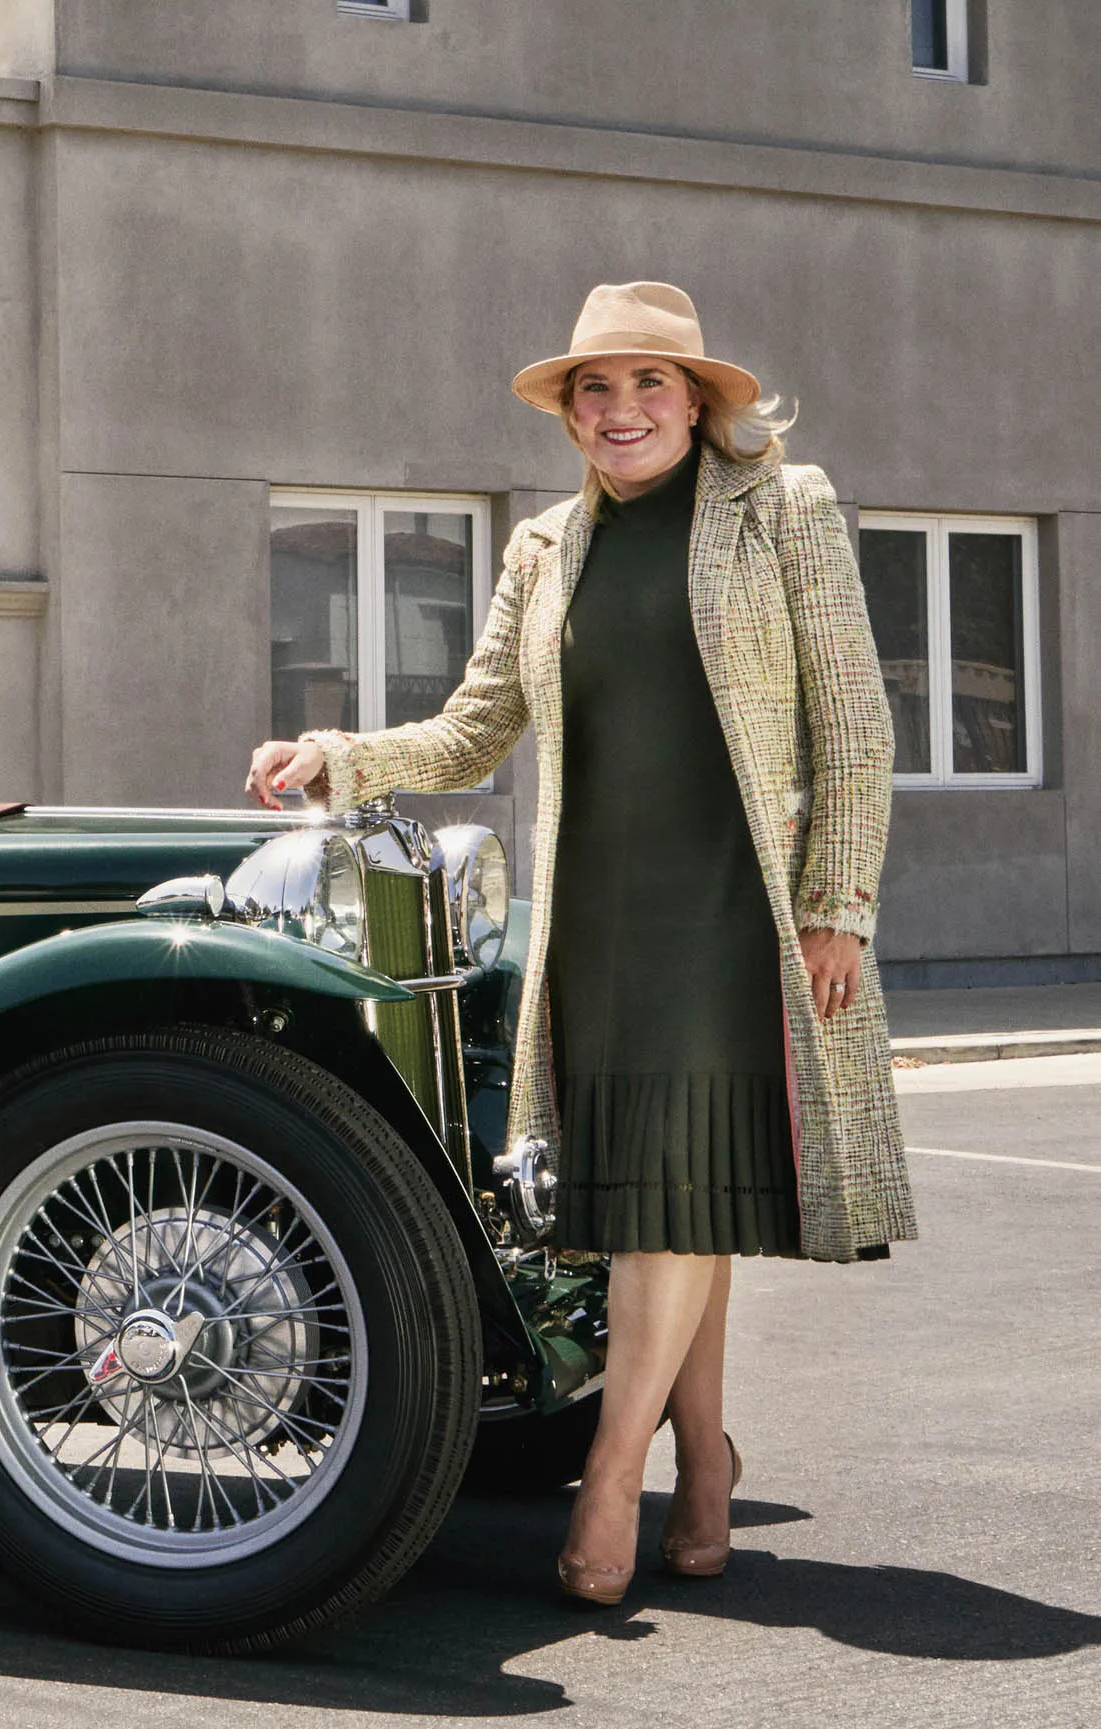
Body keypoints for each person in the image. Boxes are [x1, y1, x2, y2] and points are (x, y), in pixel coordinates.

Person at [243, 281, 912, 1606]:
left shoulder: (783, 511)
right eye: (593, 391)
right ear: (569, 414)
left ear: (703, 401)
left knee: (670, 1189)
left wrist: (841, 901)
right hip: (600, 916)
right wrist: (338, 757)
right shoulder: (544, 549)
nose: (619, 412)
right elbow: (475, 728)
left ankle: (616, 1476)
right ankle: (705, 1461)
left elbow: (855, 718)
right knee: (682, 1201)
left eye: (648, 385)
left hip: (739, 913)